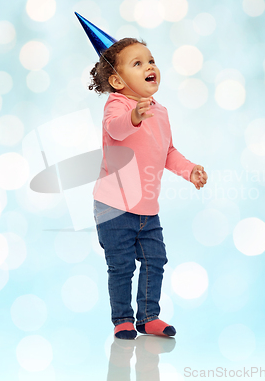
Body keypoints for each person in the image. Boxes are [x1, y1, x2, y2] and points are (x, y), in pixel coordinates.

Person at [89, 36, 208, 340]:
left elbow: (167, 151)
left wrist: (189, 170)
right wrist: (134, 116)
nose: (150, 66)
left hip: (147, 208)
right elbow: (116, 128)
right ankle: (123, 319)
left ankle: (148, 316)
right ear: (117, 80)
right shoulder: (117, 106)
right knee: (122, 266)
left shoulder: (161, 111)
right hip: (113, 206)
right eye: (138, 63)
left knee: (155, 260)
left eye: (151, 60)